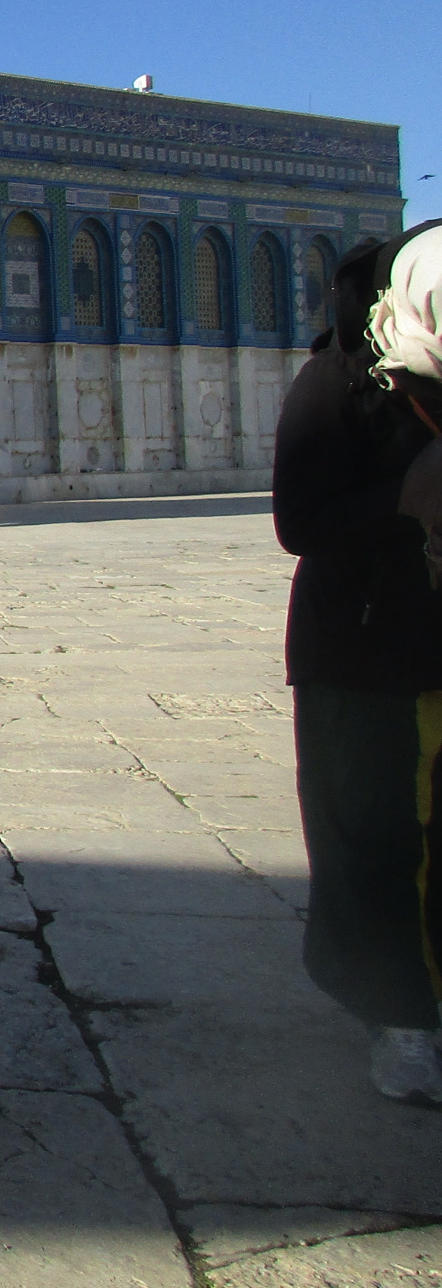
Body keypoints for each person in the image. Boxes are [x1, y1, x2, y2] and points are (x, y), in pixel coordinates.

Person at [273, 220, 442, 1101]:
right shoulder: (337, 384)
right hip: (363, 653)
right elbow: (299, 524)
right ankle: (400, 1017)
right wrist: (407, 500)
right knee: (372, 835)